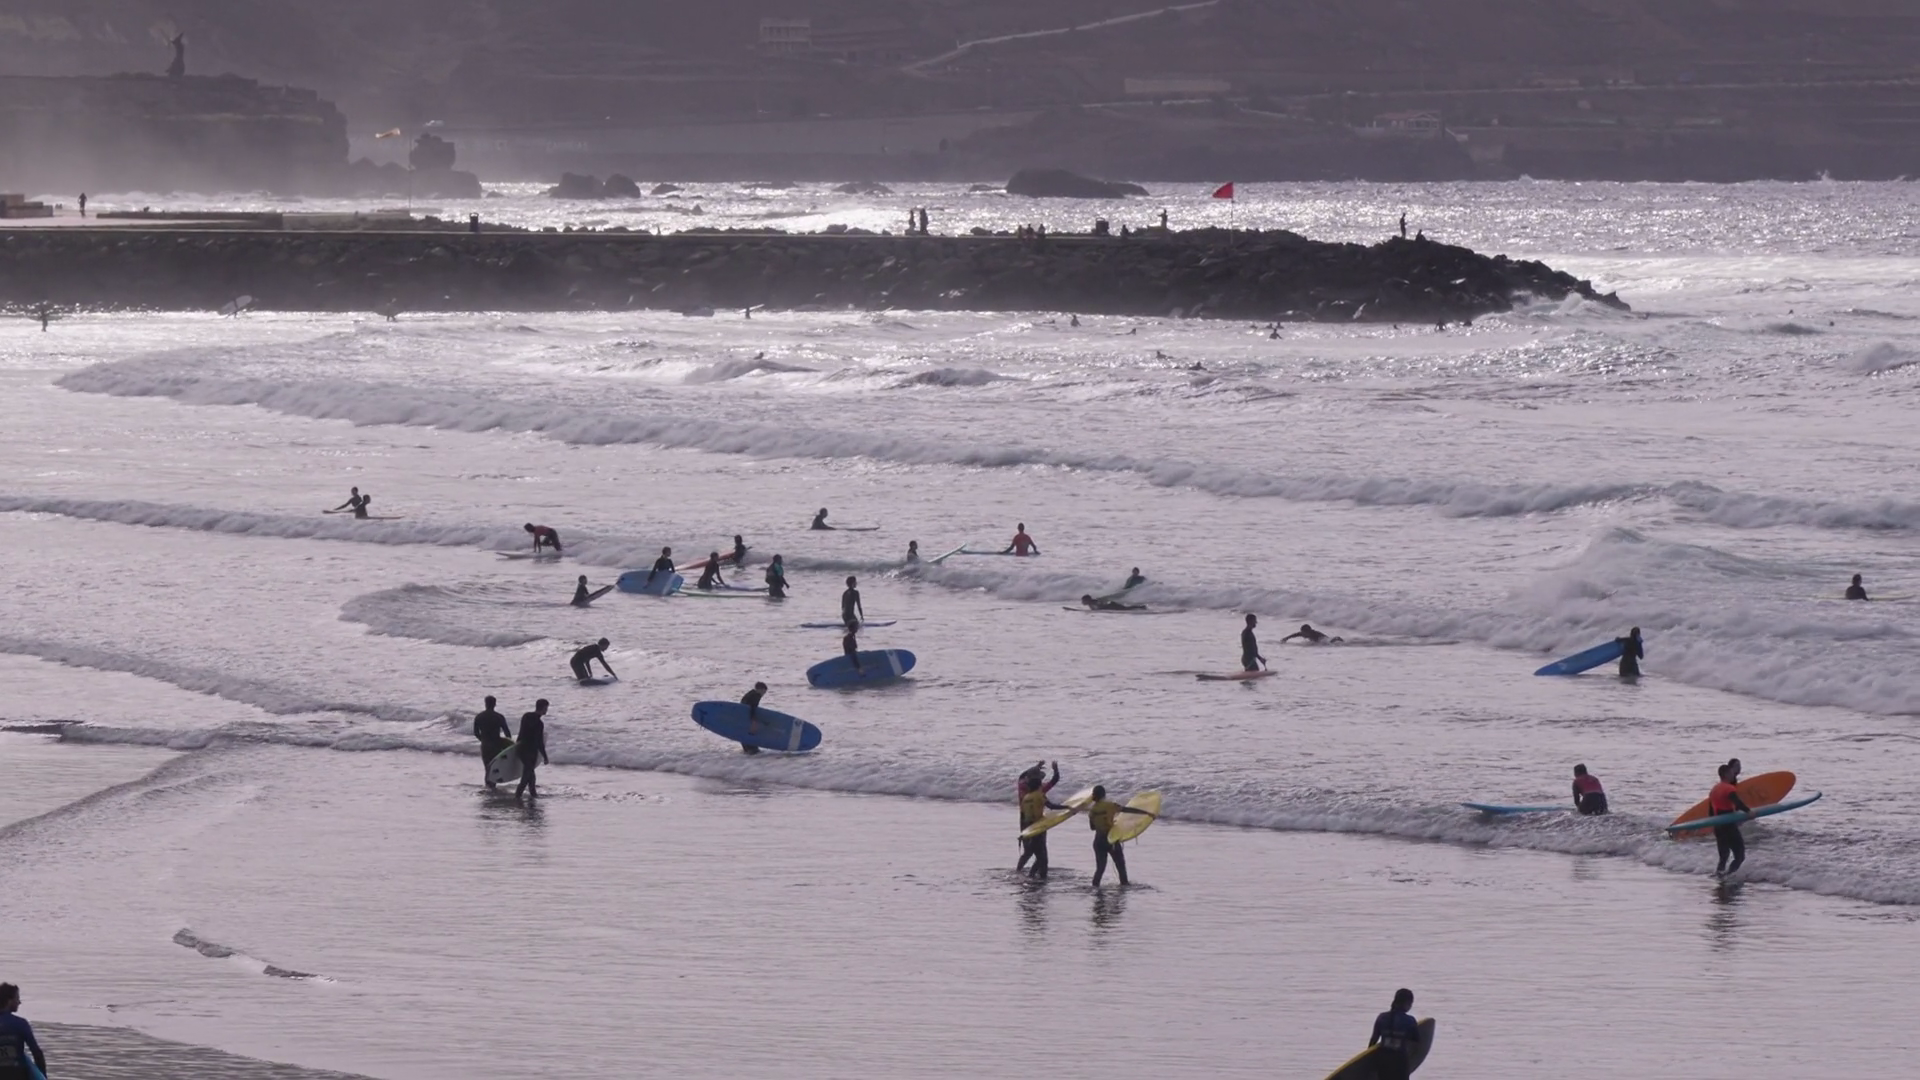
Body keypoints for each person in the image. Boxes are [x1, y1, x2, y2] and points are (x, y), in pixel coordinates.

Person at [1086, 785, 1156, 887]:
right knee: (1120, 865)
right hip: (1111, 840)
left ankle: (1095, 887)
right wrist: (1147, 813)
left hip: (1098, 841)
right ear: (1104, 795)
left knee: (1100, 869)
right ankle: (1124, 886)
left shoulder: (1092, 810)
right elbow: (1127, 810)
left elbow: (1092, 827)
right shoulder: (1110, 805)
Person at [1016, 761, 1065, 878]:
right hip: (1037, 822)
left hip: (1024, 820)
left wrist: (1036, 767)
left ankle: (1019, 871)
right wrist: (1055, 769)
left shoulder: (1021, 785)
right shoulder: (1040, 790)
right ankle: (1039, 874)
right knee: (1041, 850)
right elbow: (1054, 781)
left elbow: (1022, 776)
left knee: (1029, 851)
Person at [1368, 989, 1421, 1080]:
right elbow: (1416, 1045)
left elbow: (1373, 1041)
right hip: (1400, 1062)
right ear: (1407, 1003)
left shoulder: (1382, 1017)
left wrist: (1370, 1063)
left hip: (1383, 1061)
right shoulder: (1410, 1021)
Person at [1709, 763, 1750, 876]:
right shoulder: (1729, 788)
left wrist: (1714, 825)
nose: (1733, 775)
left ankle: (1719, 874)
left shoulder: (1714, 789)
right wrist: (1749, 812)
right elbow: (1737, 802)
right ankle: (1728, 875)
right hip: (1728, 825)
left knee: (1724, 856)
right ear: (1726, 774)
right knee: (1740, 855)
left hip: (1718, 825)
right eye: (1731, 773)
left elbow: (1711, 811)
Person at [0, 983, 46, 1080]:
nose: (19, 1002)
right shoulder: (20, 1024)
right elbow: (37, 1052)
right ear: (9, 1000)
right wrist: (43, 1076)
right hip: (17, 1074)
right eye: (17, 998)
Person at [474, 695, 512, 787]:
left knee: (487, 768)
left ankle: (488, 787)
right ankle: (492, 787)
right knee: (495, 767)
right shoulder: (499, 717)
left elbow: (476, 733)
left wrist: (483, 740)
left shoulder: (479, 717)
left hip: (485, 745)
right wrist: (509, 745)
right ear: (495, 704)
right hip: (496, 745)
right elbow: (507, 733)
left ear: (485, 704)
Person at [515, 700, 549, 799]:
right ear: (543, 708)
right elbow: (539, 742)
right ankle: (517, 796)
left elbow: (521, 733)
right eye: (546, 708)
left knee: (531, 774)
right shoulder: (539, 723)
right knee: (527, 775)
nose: (547, 710)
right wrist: (545, 757)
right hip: (530, 751)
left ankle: (533, 794)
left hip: (521, 748)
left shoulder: (526, 716)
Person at [739, 681, 769, 753]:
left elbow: (746, 706)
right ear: (759, 689)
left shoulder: (751, 694)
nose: (763, 694)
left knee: (746, 736)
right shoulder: (755, 696)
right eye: (764, 692)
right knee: (753, 749)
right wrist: (754, 720)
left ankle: (748, 750)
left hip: (743, 718)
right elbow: (752, 708)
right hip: (749, 717)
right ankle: (751, 750)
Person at [1279, 623, 1343, 644]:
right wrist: (1286, 638)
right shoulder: (1303, 633)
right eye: (1302, 632)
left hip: (1324, 639)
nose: (1302, 634)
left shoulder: (1315, 635)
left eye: (1304, 633)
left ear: (1308, 631)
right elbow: (1294, 635)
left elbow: (1327, 642)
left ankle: (1337, 638)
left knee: (1330, 642)